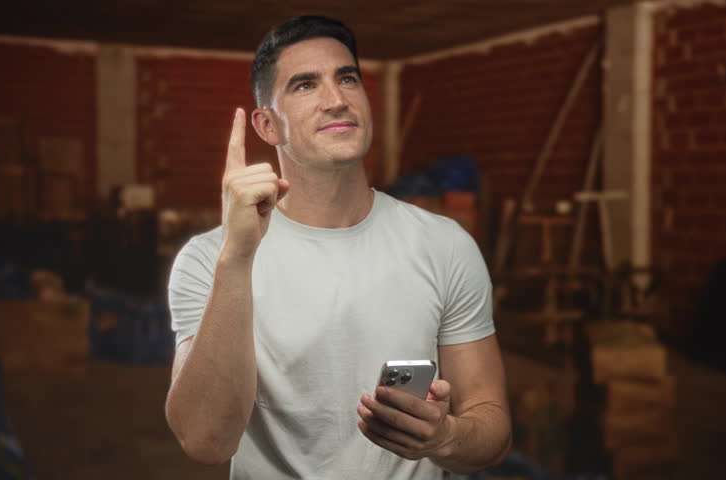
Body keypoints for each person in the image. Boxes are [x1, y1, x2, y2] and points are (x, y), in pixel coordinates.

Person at [164, 15, 511, 479]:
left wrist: (444, 437)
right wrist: (238, 258)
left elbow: (493, 430)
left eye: (347, 78)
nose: (336, 100)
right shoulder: (210, 259)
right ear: (267, 126)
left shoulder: (444, 244)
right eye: (305, 85)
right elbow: (206, 440)